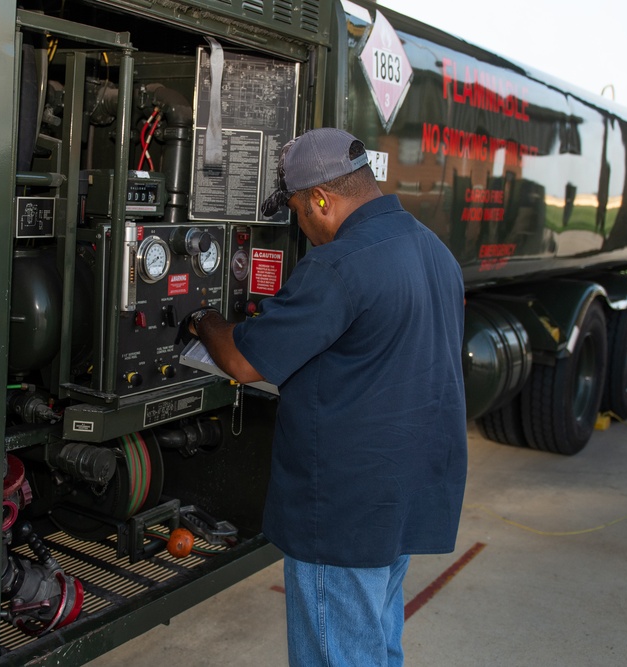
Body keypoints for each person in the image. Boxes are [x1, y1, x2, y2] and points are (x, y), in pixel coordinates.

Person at [178, 128, 467, 666]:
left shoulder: (339, 265)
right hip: (405, 494)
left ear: (320, 199)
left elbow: (243, 363)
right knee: (376, 644)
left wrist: (203, 320)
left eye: (296, 210)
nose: (301, 226)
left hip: (346, 511)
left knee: (338, 653)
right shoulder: (434, 251)